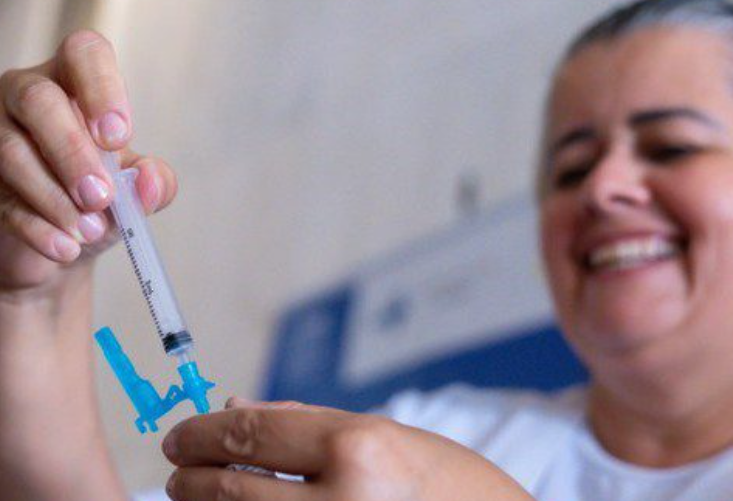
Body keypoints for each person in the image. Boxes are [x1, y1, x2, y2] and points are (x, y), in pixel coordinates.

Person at [2, 0, 733, 499]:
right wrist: (28, 296)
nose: (602, 187)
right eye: (570, 168)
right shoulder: (440, 434)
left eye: (672, 147)